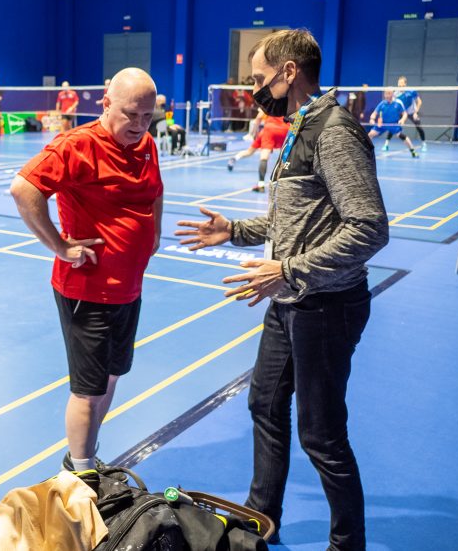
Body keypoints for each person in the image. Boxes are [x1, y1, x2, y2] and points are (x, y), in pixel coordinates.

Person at [175, 29, 388, 551]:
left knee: (321, 434)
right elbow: (290, 218)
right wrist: (236, 230)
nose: (255, 88)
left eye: (258, 78)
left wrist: (287, 270)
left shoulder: (333, 131)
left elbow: (368, 228)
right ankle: (258, 523)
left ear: (288, 72)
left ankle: (347, 544)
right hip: (288, 301)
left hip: (325, 305)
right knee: (265, 405)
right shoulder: (298, 127)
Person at [11, 68, 163, 474]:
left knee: (113, 376)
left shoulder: (147, 144)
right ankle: (82, 474)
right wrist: (59, 246)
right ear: (106, 103)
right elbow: (23, 189)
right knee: (88, 389)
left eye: (147, 116)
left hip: (130, 288)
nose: (139, 125)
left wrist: (155, 234)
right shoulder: (76, 145)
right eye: (131, 114)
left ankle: (89, 451)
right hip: (87, 292)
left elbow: (156, 190)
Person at [227, 108, 291, 193]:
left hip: (269, 130)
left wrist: (253, 133)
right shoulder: (289, 99)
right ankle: (285, 185)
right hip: (285, 130)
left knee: (260, 155)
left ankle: (261, 185)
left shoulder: (268, 101)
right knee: (285, 156)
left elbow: (259, 117)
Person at [368, 89, 417, 157]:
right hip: (382, 124)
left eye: (389, 93)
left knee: (401, 136)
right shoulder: (382, 103)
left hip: (393, 124)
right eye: (386, 94)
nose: (387, 95)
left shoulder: (398, 103)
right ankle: (366, 151)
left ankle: (413, 151)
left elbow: (405, 114)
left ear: (392, 94)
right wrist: (372, 119)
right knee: (370, 134)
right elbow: (374, 113)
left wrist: (402, 120)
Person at [395, 76, 426, 151]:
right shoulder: (396, 94)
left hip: (412, 112)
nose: (400, 85)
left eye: (401, 83)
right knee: (394, 126)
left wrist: (416, 112)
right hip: (403, 113)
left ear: (405, 84)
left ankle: (424, 144)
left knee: (419, 127)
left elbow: (419, 102)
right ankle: (386, 143)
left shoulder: (411, 91)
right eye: (399, 83)